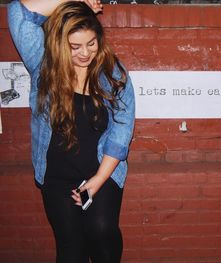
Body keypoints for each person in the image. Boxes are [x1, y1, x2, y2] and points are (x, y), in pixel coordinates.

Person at [8, 0, 135, 262]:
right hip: (57, 176)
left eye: (91, 43)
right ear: (59, 43)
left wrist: (98, 180)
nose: (85, 53)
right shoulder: (44, 66)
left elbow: (121, 133)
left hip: (101, 169)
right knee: (70, 250)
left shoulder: (112, 74)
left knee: (101, 232)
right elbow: (18, 13)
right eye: (75, 46)